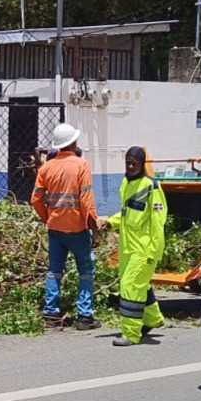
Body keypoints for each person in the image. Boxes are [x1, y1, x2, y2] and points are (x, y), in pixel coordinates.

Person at [31, 122, 102, 330]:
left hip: (55, 228)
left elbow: (36, 199)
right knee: (86, 271)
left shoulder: (46, 168)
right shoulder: (82, 165)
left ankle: (51, 314)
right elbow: (86, 201)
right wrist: (95, 230)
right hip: (77, 229)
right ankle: (84, 316)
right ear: (73, 142)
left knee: (54, 270)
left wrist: (48, 218)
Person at [99, 146, 167, 347]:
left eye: (134, 163)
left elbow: (158, 222)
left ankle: (131, 334)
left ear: (142, 164)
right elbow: (126, 213)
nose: (130, 166)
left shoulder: (151, 187)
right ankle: (153, 319)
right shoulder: (126, 183)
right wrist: (110, 222)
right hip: (128, 247)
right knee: (140, 285)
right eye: (127, 163)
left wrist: (154, 251)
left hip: (144, 249)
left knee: (129, 286)